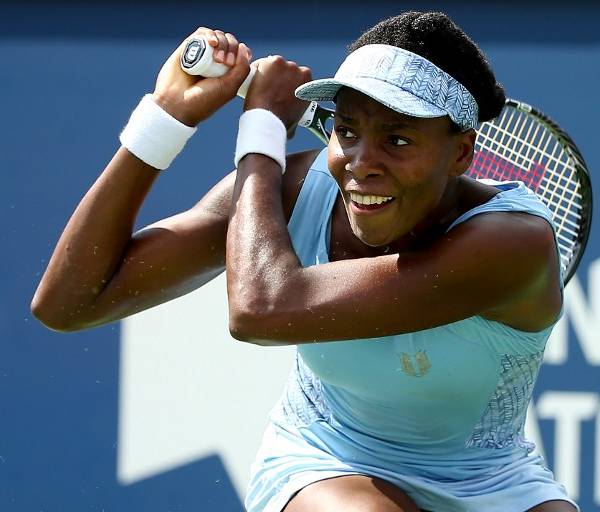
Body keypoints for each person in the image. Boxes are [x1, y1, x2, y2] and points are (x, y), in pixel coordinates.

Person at [31, 10, 578, 512]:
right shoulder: (296, 189)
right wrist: (167, 115)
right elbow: (68, 304)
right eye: (347, 131)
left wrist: (261, 131)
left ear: (461, 152)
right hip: (326, 461)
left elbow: (262, 308)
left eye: (398, 139)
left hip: (495, 482)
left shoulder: (512, 242)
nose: (361, 163)